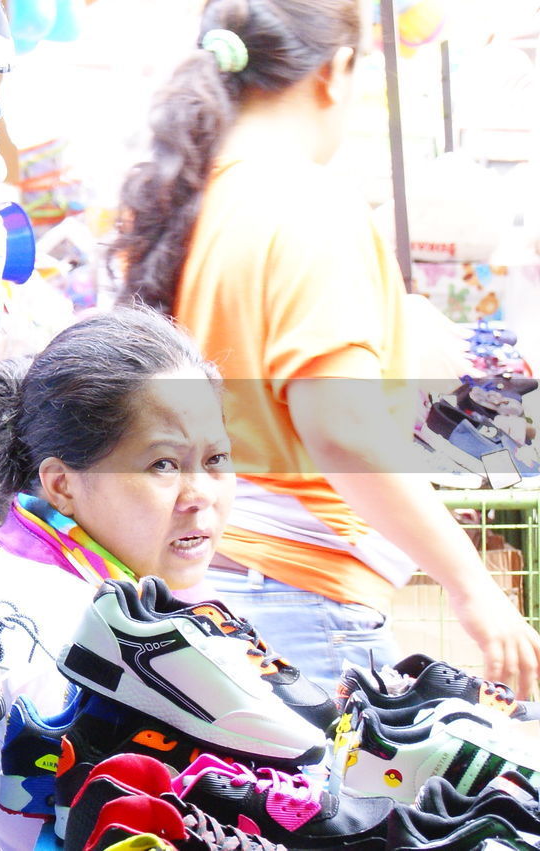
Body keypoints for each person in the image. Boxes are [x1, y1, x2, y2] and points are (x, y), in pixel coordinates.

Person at [113, 0, 540, 694]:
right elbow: (341, 428)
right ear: (337, 72)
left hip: (215, 584)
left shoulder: (203, 201)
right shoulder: (306, 203)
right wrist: (473, 585)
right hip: (298, 601)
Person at [0, 306, 236, 851]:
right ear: (62, 485)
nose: (202, 495)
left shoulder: (116, 593)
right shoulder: (57, 623)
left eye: (216, 457)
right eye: (163, 465)